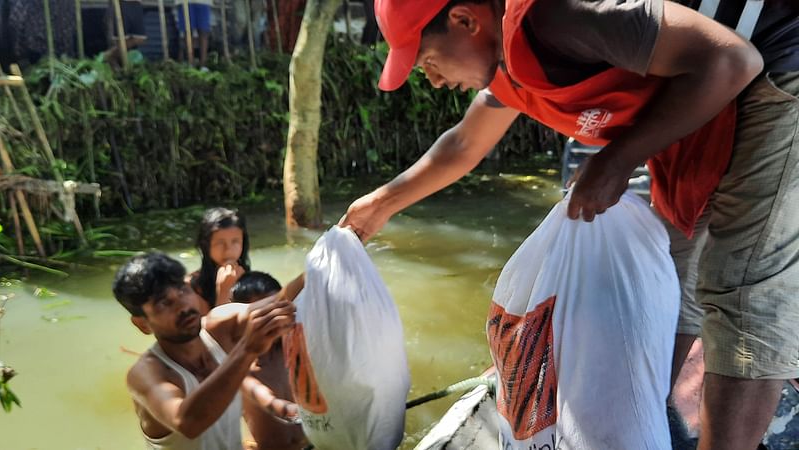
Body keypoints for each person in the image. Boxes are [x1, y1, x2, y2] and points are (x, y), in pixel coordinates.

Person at [339, 1, 799, 449]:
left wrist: (618, 159)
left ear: (464, 20)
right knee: (670, 276)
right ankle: (643, 421)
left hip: (775, 67)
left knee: (742, 291)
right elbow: (463, 143)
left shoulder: (552, 16)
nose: (434, 81)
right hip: (712, 103)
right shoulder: (508, 65)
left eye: (427, 62)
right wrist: (379, 205)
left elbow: (732, 59)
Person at [113, 252, 295, 450]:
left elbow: (281, 301)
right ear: (142, 324)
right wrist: (247, 350)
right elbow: (188, 423)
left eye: (183, 290)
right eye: (165, 303)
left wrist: (330, 246)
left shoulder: (218, 327)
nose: (183, 306)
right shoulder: (146, 374)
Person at [230, 271, 309, 450]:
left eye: (278, 309)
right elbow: (267, 400)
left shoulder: (293, 346)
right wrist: (296, 412)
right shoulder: (242, 364)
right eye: (266, 315)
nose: (274, 320)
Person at [193, 207, 250, 308]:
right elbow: (211, 323)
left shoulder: (251, 278)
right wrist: (224, 292)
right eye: (220, 243)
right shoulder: (193, 287)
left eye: (235, 242)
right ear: (205, 245)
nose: (228, 250)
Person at [105, 0, 147, 67]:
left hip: (137, 4)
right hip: (122, 4)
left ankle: (110, 55)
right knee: (121, 39)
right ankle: (114, 63)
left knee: (140, 38)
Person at [175, 0, 213, 69]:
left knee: (204, 31)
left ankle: (203, 64)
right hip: (185, 2)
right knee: (187, 31)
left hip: (203, 2)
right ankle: (190, 62)